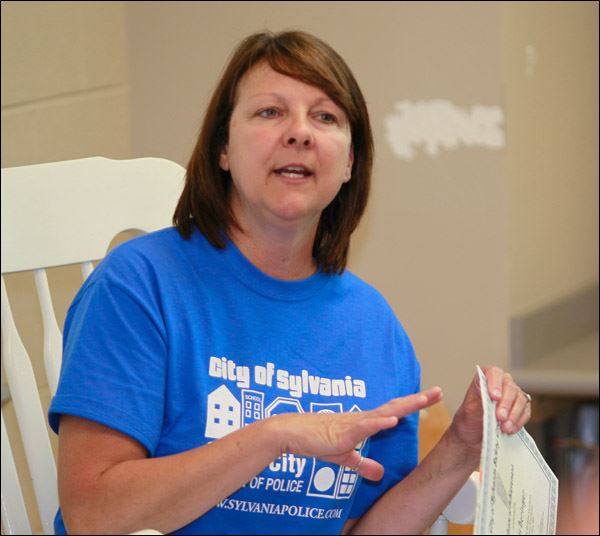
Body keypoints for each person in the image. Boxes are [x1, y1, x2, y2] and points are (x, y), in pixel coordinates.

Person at [48, 30, 532, 535]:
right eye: (270, 112)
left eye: (325, 117)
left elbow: (361, 530)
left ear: (349, 162)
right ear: (223, 148)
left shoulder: (374, 328)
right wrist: (274, 436)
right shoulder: (139, 285)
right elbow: (93, 515)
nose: (300, 133)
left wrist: (460, 447)